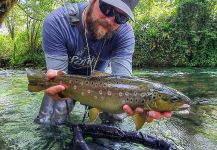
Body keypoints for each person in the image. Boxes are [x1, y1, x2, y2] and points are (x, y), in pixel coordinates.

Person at [35, 0, 172, 126]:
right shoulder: (58, 22)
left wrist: (142, 106)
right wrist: (52, 83)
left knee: (119, 113)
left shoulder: (125, 34)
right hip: (68, 81)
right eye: (106, 8)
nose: (110, 19)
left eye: (121, 17)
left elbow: (125, 80)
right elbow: (57, 76)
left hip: (102, 83)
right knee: (49, 119)